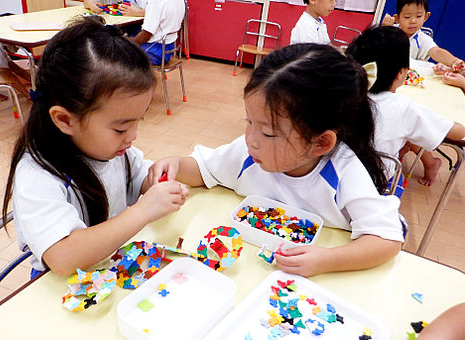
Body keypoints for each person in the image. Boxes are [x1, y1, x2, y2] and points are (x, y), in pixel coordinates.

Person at [148, 44, 404, 277]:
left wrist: (328, 259)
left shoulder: (344, 171)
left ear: (320, 142)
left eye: (269, 132)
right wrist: (177, 165)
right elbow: (205, 170)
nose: (251, 139)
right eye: (249, 122)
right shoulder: (249, 152)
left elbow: (386, 239)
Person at [1, 16, 188, 278]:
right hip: (63, 289)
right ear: (65, 119)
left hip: (112, 270)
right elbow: (64, 257)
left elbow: (135, 177)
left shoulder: (112, 150)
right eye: (121, 128)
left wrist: (155, 179)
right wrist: (144, 210)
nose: (132, 136)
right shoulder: (38, 174)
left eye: (138, 122)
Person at [346, 26, 465, 187]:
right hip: (374, 182)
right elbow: (458, 132)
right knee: (409, 131)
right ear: (401, 73)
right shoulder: (405, 107)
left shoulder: (344, 90)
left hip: (334, 174)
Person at [84, 0, 185, 65]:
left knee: (114, 52)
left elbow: (146, 34)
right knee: (123, 37)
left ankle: (122, 88)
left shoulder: (155, 2)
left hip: (156, 50)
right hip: (169, 47)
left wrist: (129, 42)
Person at [382, 0, 464, 69]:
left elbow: (436, 52)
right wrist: (384, 31)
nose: (413, 21)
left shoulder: (423, 38)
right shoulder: (390, 31)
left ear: (426, 17)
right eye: (407, 17)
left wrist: (454, 61)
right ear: (397, 18)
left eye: (418, 16)